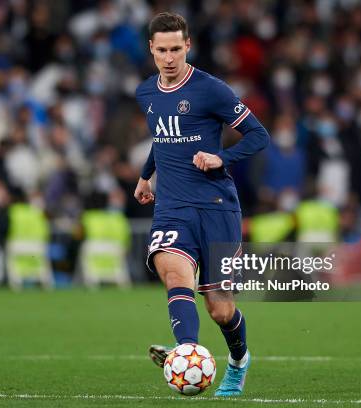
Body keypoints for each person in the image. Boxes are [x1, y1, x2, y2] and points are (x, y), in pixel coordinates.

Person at [133, 12, 270, 396]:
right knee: (176, 277)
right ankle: (187, 351)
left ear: (187, 46)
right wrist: (146, 176)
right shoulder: (145, 92)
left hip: (216, 206)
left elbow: (259, 136)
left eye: (176, 48)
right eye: (162, 50)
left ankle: (239, 361)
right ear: (152, 50)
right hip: (173, 206)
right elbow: (162, 140)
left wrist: (220, 158)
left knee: (220, 310)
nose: (170, 57)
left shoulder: (212, 90)